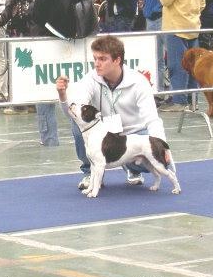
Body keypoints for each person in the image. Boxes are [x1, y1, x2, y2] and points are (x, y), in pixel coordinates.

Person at [56, 35, 168, 189]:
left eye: (102, 59)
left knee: (150, 146)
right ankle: (90, 171)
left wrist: (162, 146)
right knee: (78, 125)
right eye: (95, 58)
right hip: (104, 135)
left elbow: (152, 120)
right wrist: (62, 95)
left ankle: (133, 168)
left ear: (117, 60)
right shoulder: (90, 79)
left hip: (132, 133)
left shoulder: (139, 82)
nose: (97, 64)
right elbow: (74, 113)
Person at [31, 0, 84, 146]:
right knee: (76, 92)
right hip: (73, 40)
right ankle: (81, 133)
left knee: (44, 91)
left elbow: (37, 14)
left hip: (47, 39)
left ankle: (49, 138)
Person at [158, 0, 206, 111]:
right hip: (193, 27)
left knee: (177, 66)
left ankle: (179, 101)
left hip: (176, 28)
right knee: (192, 66)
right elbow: (202, 3)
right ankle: (193, 101)